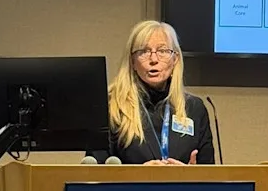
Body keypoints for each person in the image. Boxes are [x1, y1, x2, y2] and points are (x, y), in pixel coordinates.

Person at [90, 20, 215, 165]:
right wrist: (139, 176)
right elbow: (93, 172)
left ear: (175, 59)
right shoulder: (110, 106)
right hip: (130, 188)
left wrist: (190, 176)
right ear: (132, 62)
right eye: (144, 52)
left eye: (162, 51)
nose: (154, 59)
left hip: (182, 188)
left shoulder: (194, 108)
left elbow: (210, 174)